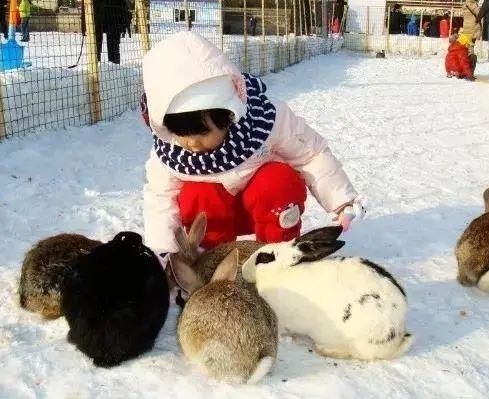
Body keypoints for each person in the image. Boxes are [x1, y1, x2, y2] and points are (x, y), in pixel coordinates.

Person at [140, 32, 364, 258]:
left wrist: (341, 201)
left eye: (203, 133)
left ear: (229, 114)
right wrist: (163, 252)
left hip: (267, 210)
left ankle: (278, 253)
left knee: (276, 180)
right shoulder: (170, 152)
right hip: (212, 221)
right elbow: (160, 199)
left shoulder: (262, 120)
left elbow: (311, 155)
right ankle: (212, 258)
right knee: (197, 193)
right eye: (181, 134)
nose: (192, 143)